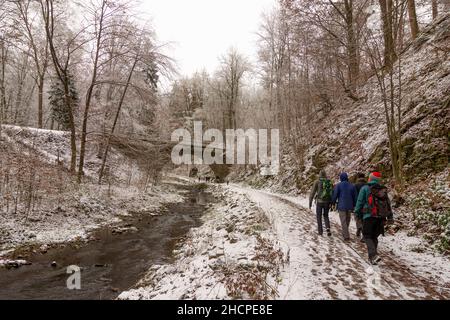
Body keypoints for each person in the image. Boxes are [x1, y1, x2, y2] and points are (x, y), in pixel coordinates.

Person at [355, 172, 394, 265]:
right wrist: (390, 217)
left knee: (367, 235)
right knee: (374, 237)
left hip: (369, 216)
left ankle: (373, 255)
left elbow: (359, 202)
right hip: (381, 217)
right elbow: (388, 204)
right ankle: (373, 257)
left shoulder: (365, 188)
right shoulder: (382, 190)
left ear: (370, 179)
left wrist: (357, 212)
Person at [331, 172, 357, 241]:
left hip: (341, 206)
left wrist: (332, 202)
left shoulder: (338, 185)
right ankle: (345, 232)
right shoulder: (352, 186)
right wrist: (354, 205)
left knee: (343, 221)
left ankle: (346, 236)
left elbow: (335, 195)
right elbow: (355, 197)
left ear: (341, 178)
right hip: (350, 206)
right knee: (347, 221)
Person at [309, 170, 333, 236]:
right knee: (326, 215)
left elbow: (312, 193)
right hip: (327, 202)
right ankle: (328, 227)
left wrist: (310, 203)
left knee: (318, 216)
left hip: (319, 202)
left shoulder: (317, 182)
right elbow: (331, 192)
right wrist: (331, 202)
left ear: (319, 175)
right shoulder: (329, 181)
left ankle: (320, 232)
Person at [354, 173, 367, 242]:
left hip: (358, 203)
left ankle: (359, 227)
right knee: (364, 220)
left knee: (357, 217)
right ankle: (363, 234)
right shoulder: (367, 185)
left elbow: (354, 195)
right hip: (366, 205)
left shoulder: (355, 185)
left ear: (358, 177)